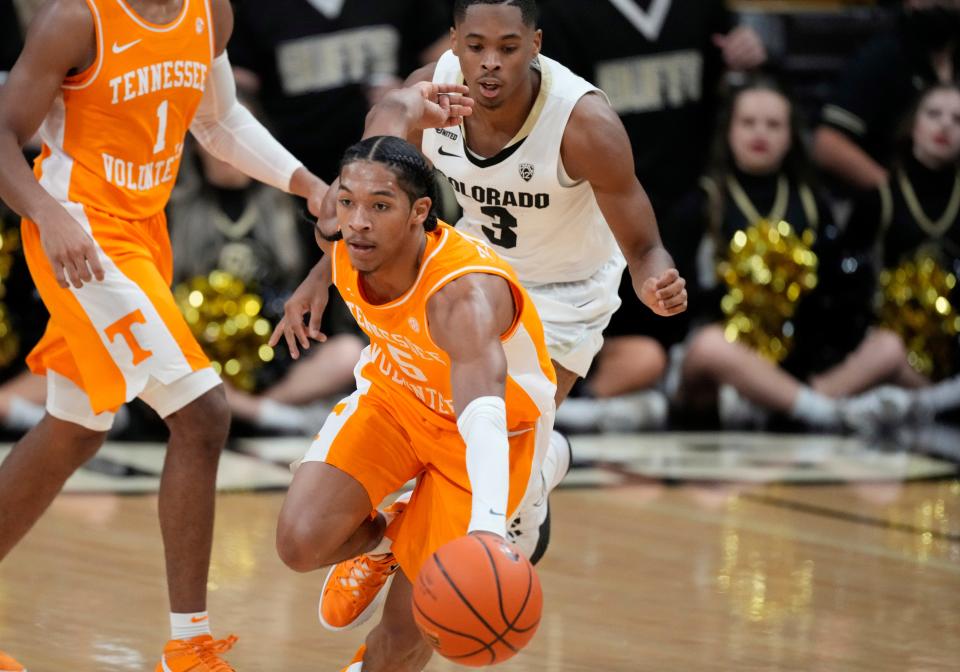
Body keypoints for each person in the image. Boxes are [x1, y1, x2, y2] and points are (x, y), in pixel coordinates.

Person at [274, 0, 688, 633]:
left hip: (564, 293)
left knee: (498, 443)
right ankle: (396, 535)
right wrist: (319, 272)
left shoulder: (583, 123)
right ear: (454, 43)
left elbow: (641, 239)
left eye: (508, 46)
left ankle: (538, 472)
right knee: (455, 427)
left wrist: (652, 277)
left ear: (536, 44)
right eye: (475, 46)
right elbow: (377, 151)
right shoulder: (436, 92)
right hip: (472, 268)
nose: (490, 62)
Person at [0, 0, 328, 669]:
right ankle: (190, 645)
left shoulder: (210, 12)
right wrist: (46, 213)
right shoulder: (76, 19)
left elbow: (220, 120)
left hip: (143, 235)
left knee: (75, 428)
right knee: (202, 416)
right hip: (79, 236)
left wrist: (305, 184)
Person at [273, 134, 562, 672]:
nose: (358, 220)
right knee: (300, 545)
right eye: (348, 202)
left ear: (419, 212)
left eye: (380, 206)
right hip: (395, 401)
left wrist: (488, 530)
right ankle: (386, 540)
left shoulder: (461, 297)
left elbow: (483, 419)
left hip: (490, 433)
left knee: (409, 636)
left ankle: (535, 477)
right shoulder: (343, 237)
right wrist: (315, 281)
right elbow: (390, 119)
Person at [538, 0, 767, 401]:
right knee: (612, 345)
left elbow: (740, 72)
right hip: (594, 211)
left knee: (665, 332)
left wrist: (749, 55)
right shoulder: (564, 14)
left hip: (687, 208)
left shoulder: (702, 11)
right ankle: (568, 405)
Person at [676, 79, 919, 430]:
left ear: (791, 136)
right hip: (722, 366)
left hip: (799, 359)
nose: (760, 133)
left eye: (774, 125)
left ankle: (801, 400)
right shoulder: (703, 202)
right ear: (728, 130)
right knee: (710, 345)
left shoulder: (811, 202)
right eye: (748, 123)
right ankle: (824, 412)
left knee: (890, 346)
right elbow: (684, 300)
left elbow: (836, 294)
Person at [169, 140, 366, 436]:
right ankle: (270, 417)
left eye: (239, 143)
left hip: (275, 358)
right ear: (198, 148)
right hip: (201, 354)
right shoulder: (175, 208)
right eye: (218, 143)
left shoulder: (287, 208)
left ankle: (252, 410)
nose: (229, 154)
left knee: (350, 351)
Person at [842, 84, 960, 425]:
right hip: (888, 343)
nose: (945, 125)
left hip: (952, 353)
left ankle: (920, 402)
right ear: (913, 124)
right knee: (885, 350)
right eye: (934, 114)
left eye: (957, 118)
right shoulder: (879, 199)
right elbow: (847, 283)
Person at [813, 0, 960, 191]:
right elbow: (827, 144)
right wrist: (897, 197)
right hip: (894, 192)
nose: (939, 5)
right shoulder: (883, 56)